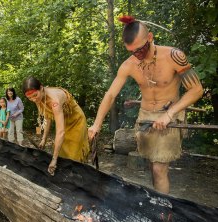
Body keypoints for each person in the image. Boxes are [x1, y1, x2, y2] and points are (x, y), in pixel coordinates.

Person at [88, 16, 203, 194]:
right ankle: (157, 199)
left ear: (150, 37)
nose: (137, 55)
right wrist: (96, 124)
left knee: (159, 169)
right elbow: (110, 94)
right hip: (146, 117)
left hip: (170, 115)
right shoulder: (128, 65)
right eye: (132, 51)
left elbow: (196, 90)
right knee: (151, 163)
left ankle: (163, 212)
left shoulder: (174, 56)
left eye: (140, 49)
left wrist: (169, 114)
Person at [22, 76, 90, 176]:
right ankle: (66, 174)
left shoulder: (55, 102)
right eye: (29, 98)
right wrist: (43, 139)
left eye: (35, 95)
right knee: (63, 151)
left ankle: (78, 176)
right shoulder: (38, 98)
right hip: (64, 122)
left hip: (76, 122)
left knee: (74, 153)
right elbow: (48, 117)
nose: (33, 99)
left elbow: (60, 132)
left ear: (41, 88)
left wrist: (54, 159)